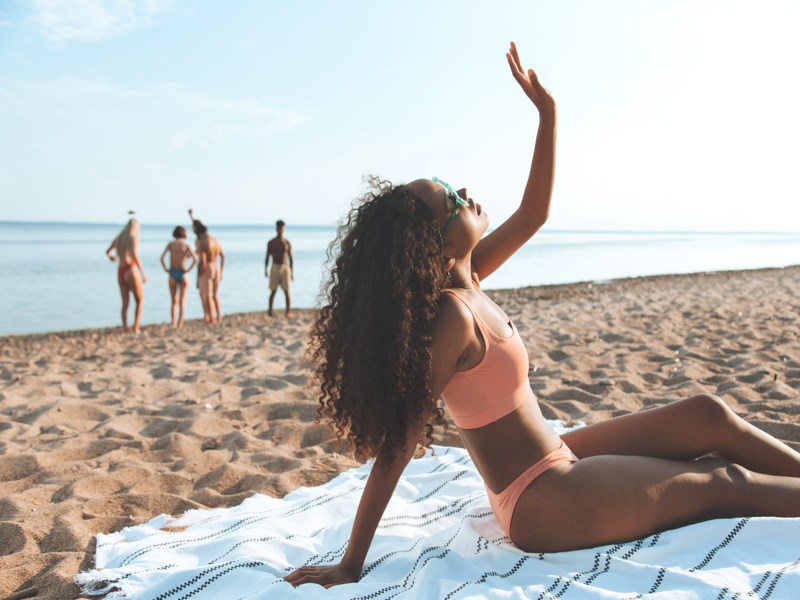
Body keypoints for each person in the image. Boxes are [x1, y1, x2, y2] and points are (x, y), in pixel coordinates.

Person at [286, 42, 800, 589]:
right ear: (433, 249)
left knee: (707, 415)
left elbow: (534, 212)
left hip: (559, 454)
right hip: (538, 498)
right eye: (451, 204)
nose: (463, 194)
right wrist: (350, 564)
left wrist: (547, 115)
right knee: (723, 478)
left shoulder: (470, 276)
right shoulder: (453, 319)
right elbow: (399, 445)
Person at [105, 218, 147, 334]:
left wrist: (111, 257)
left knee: (125, 302)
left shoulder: (119, 238)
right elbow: (135, 255)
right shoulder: (133, 238)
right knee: (139, 300)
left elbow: (107, 251)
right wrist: (142, 272)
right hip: (130, 268)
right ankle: (136, 327)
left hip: (120, 270)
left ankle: (125, 327)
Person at [159, 226, 198, 328]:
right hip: (183, 272)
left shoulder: (171, 245)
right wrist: (188, 269)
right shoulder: (186, 245)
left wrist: (166, 269)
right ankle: (180, 322)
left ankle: (173, 323)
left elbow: (162, 258)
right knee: (182, 301)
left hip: (172, 272)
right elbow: (196, 259)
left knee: (173, 301)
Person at [196, 223, 225, 324]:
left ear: (200, 234)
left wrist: (200, 273)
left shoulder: (202, 242)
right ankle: (219, 316)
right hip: (216, 266)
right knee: (215, 295)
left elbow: (203, 261)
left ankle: (211, 317)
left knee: (207, 295)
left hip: (207, 267)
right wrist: (221, 271)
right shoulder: (216, 241)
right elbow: (223, 256)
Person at [265, 219, 294, 317]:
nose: (280, 230)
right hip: (275, 266)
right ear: (276, 229)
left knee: (287, 291)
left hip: (285, 267)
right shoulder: (271, 242)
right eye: (278, 228)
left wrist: (292, 272)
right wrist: (265, 269)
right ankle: (270, 311)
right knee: (273, 290)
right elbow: (267, 256)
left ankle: (288, 311)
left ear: (283, 229)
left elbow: (291, 258)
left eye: (281, 228)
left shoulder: (287, 243)